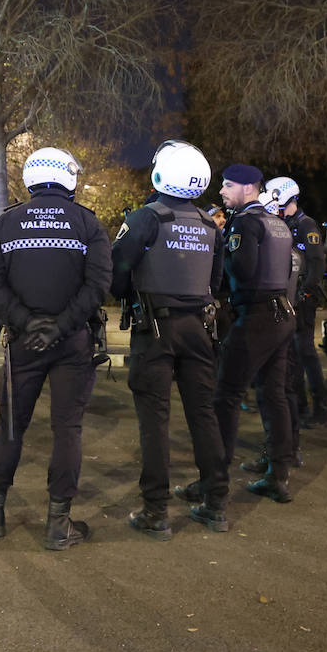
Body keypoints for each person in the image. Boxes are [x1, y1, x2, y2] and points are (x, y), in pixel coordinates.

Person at [0, 147, 110, 550]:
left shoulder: (5, 223)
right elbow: (98, 285)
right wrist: (60, 326)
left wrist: (29, 323)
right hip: (73, 341)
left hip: (23, 343)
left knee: (10, 428)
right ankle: (57, 525)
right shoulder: (87, 223)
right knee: (68, 429)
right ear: (69, 178)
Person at [111, 140, 229, 540]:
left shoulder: (146, 218)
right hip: (199, 328)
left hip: (156, 330)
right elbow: (216, 283)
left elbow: (118, 273)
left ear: (161, 174)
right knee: (203, 415)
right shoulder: (209, 224)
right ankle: (215, 504)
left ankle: (156, 511)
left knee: (154, 421)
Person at [180, 164, 297, 505]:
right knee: (273, 395)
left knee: (225, 396)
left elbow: (241, 269)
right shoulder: (276, 222)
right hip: (282, 314)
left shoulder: (245, 222)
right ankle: (278, 475)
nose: (221, 191)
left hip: (257, 316)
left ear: (249, 188)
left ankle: (213, 483)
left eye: (228, 185)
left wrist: (221, 259)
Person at [267, 176, 327, 427]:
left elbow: (316, 263)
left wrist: (305, 292)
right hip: (288, 296)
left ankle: (320, 407)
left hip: (302, 297)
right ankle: (300, 405)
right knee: (291, 352)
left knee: (305, 351)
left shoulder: (306, 224)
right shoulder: (285, 223)